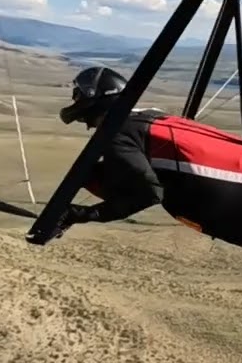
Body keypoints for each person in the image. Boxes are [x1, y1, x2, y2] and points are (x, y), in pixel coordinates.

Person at [47, 65, 166, 238]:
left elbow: (150, 194)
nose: (75, 100)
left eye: (78, 95)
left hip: (192, 196)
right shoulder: (141, 119)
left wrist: (80, 214)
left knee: (86, 173)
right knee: (89, 172)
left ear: (94, 97)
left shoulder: (117, 132)